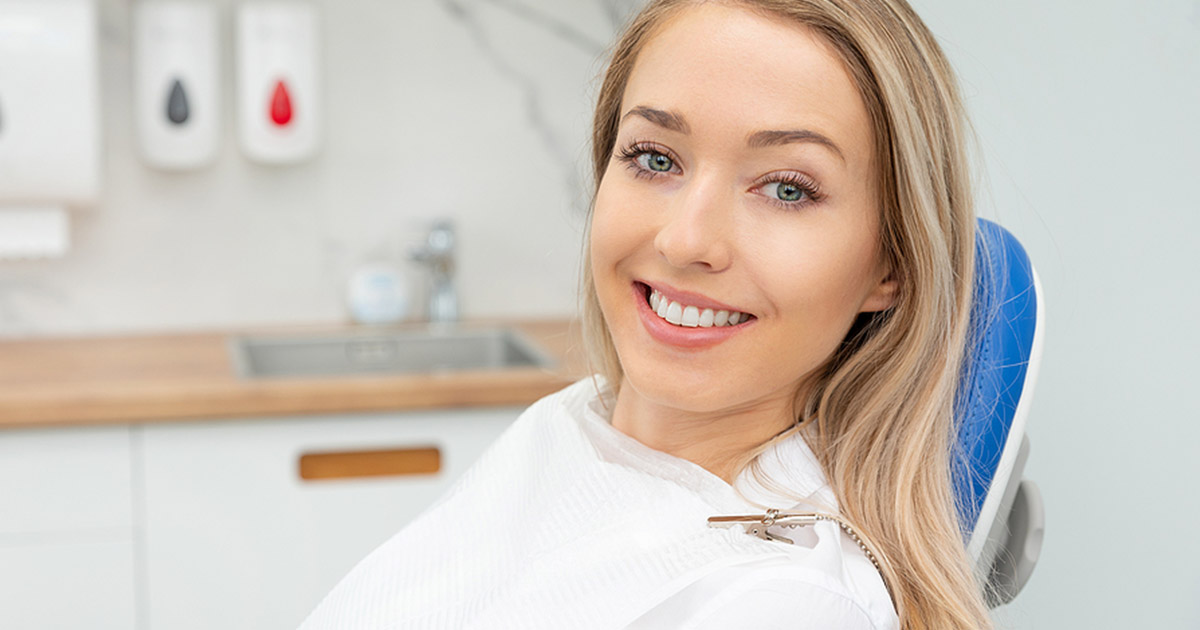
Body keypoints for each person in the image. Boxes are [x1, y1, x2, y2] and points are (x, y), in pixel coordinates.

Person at [299, 1, 991, 628]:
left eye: (786, 188)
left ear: (891, 265)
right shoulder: (572, 424)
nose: (686, 240)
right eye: (655, 158)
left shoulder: (782, 603)